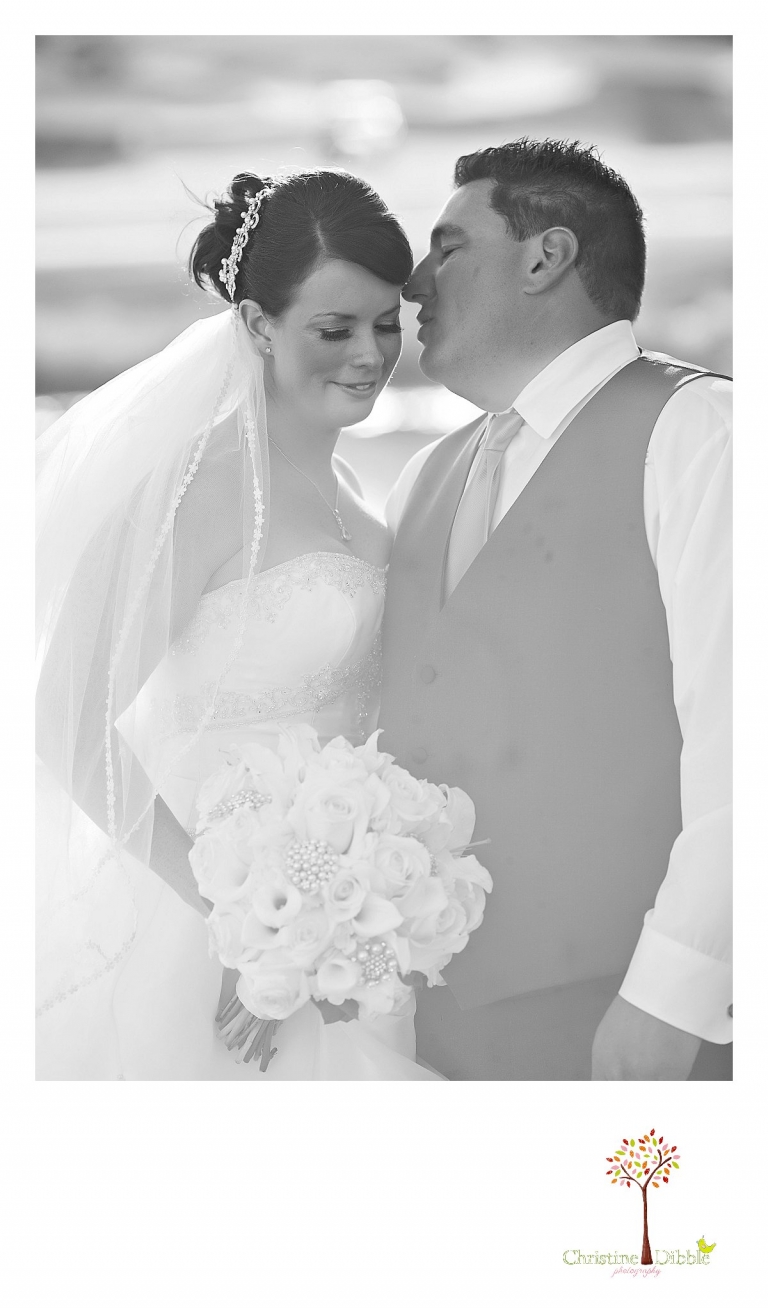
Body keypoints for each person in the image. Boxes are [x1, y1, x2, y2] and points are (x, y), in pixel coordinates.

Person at [35, 168, 439, 1080]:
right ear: (258, 324)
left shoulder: (347, 488)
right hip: (215, 928)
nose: (371, 355)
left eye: (387, 323)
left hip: (348, 925)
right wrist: (241, 921)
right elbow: (63, 716)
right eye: (333, 330)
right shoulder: (201, 491)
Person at [380, 138, 732, 1081]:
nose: (413, 283)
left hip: (634, 1026)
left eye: (448, 247)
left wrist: (672, 996)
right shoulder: (422, 477)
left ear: (548, 256)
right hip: (432, 1038)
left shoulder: (703, 433)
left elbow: (747, 738)